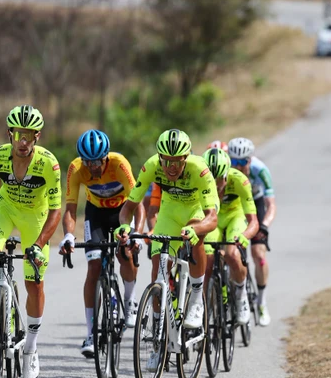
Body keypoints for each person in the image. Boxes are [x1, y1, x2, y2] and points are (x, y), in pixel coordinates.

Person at [0, 105, 61, 378]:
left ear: (37, 137)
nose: (23, 141)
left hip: (36, 215)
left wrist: (39, 244)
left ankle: (30, 348)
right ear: (10, 133)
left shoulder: (49, 163)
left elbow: (54, 211)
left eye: (29, 135)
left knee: (35, 283)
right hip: (6, 208)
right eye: (18, 134)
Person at [114, 129, 219, 339]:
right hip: (169, 212)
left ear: (186, 158)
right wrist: (125, 227)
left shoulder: (199, 168)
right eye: (167, 161)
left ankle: (197, 299)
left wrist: (196, 229)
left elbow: (212, 219)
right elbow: (128, 209)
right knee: (158, 266)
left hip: (195, 209)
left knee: (196, 235)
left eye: (178, 162)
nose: (172, 167)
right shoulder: (151, 166)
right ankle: (157, 328)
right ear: (160, 157)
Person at [57, 130, 144, 358]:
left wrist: (137, 233)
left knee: (125, 253)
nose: (93, 166)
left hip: (122, 213)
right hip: (96, 214)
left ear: (106, 156)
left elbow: (138, 202)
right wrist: (68, 235)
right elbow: (71, 210)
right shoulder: (77, 168)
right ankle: (91, 334)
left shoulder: (119, 164)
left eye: (97, 161)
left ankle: (129, 300)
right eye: (88, 161)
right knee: (94, 266)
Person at [201, 147, 258, 324]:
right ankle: (204, 308)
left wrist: (245, 235)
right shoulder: (199, 180)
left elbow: (253, 221)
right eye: (212, 180)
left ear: (227, 174)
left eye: (219, 179)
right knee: (207, 261)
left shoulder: (239, 180)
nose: (217, 185)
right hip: (213, 219)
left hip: (235, 216)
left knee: (233, 254)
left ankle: (241, 296)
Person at [227, 137, 276, 327]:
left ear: (250, 159)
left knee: (258, 254)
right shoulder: (226, 170)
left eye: (242, 162)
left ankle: (262, 301)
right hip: (234, 207)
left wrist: (264, 225)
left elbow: (271, 204)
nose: (238, 167)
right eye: (234, 162)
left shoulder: (260, 170)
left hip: (254, 205)